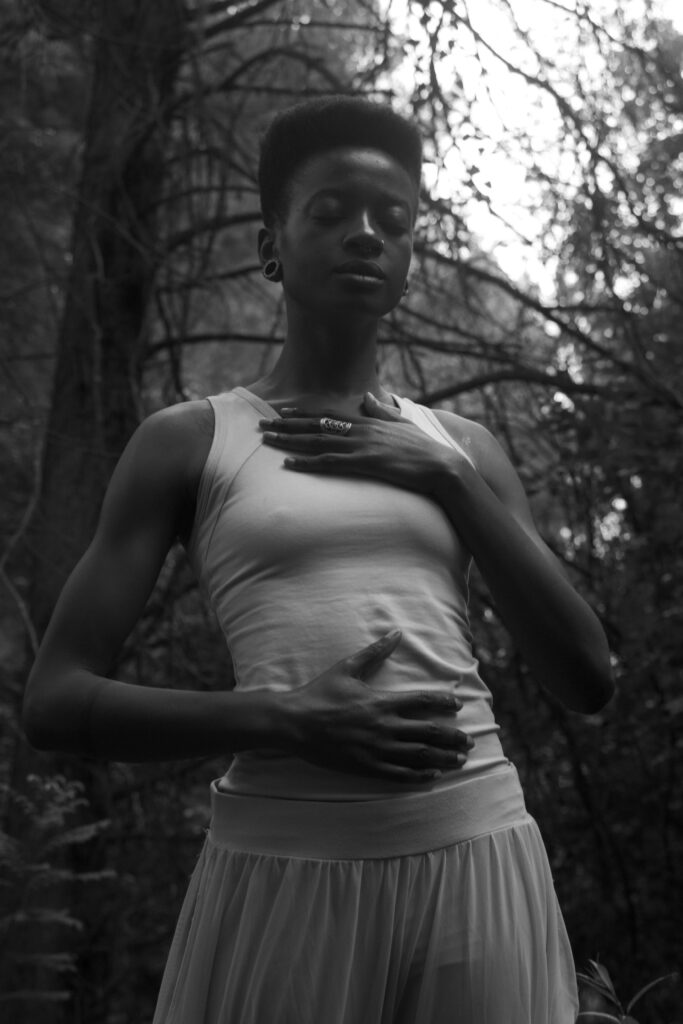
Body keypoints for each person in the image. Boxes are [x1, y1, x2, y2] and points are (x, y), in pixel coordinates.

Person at [23, 95, 613, 1023]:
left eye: (394, 221)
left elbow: (587, 676)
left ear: (411, 258)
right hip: (283, 863)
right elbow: (54, 701)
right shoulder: (190, 442)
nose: (366, 235)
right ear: (272, 248)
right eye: (331, 213)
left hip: (477, 849)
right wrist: (283, 719)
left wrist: (448, 481)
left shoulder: (464, 448)